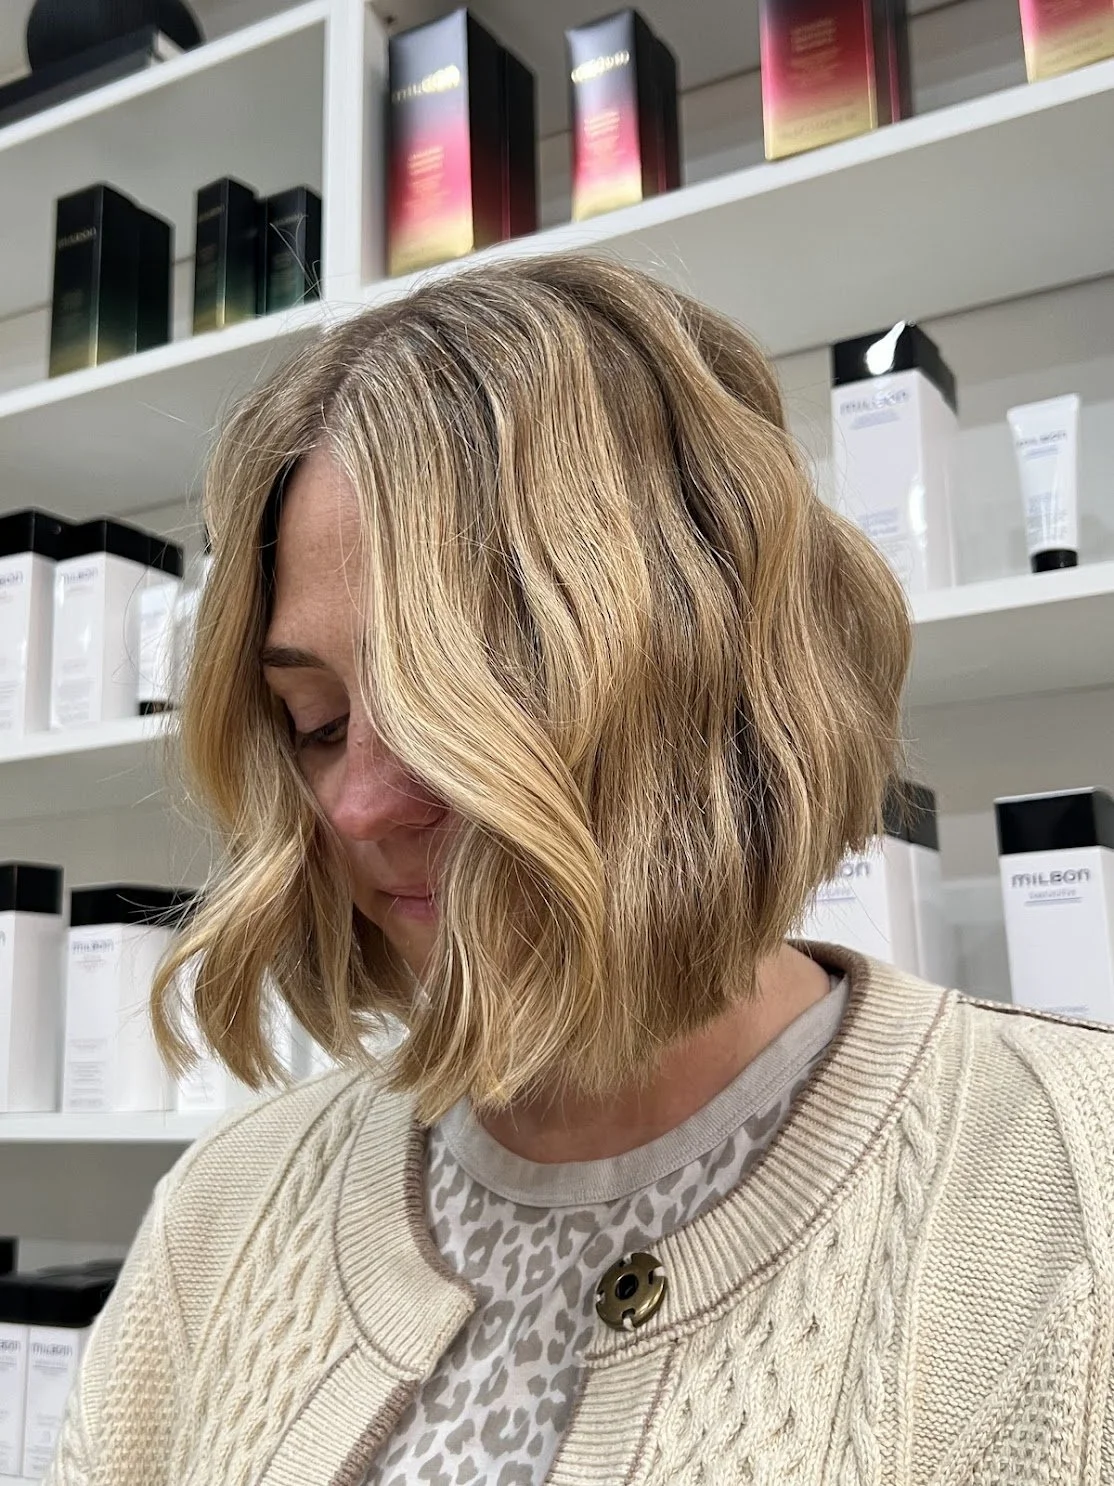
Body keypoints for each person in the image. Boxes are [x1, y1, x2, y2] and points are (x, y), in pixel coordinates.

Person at [47, 255, 1114, 1486]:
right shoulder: (221, 1217)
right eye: (318, 720)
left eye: (467, 702)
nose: (360, 802)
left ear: (724, 675)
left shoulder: (1071, 1190)